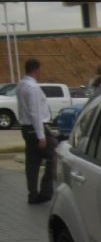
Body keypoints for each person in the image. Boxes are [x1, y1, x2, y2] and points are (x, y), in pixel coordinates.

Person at [17, 58, 56, 205]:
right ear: (36, 70)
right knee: (53, 156)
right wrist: (41, 136)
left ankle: (32, 194)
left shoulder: (21, 85)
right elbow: (35, 112)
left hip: (26, 129)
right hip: (36, 128)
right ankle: (46, 191)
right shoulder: (32, 87)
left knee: (32, 162)